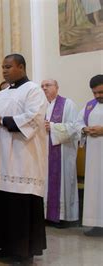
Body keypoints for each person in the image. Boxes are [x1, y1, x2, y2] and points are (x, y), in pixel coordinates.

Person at [0, 54, 48, 263]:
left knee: (20, 204)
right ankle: (6, 246)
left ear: (21, 67)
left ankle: (24, 252)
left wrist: (1, 120)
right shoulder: (2, 93)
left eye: (8, 66)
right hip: (1, 159)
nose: (4, 70)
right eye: (2, 67)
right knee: (2, 204)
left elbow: (34, 118)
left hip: (22, 158)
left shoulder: (34, 90)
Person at [41, 79, 79, 227]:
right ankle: (46, 215)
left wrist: (52, 127)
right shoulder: (41, 106)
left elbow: (75, 127)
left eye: (48, 85)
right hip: (45, 153)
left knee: (63, 183)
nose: (44, 88)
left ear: (57, 87)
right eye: (42, 86)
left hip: (63, 153)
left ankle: (63, 217)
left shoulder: (68, 104)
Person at [76, 74, 103, 237]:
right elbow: (78, 123)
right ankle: (97, 223)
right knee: (95, 188)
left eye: (101, 92)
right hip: (94, 155)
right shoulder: (89, 106)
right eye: (95, 93)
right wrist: (85, 129)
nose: (98, 96)